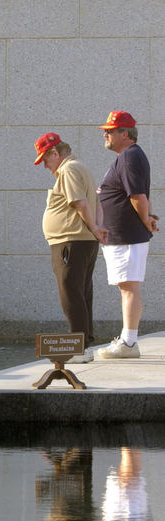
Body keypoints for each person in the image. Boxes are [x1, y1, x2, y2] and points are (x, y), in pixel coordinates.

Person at [34, 133, 108, 363]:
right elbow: (97, 204)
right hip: (81, 241)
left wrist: (96, 229)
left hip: (70, 241)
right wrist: (97, 228)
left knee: (70, 293)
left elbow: (81, 203)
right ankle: (84, 344)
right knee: (81, 292)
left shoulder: (68, 170)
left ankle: (79, 347)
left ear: (55, 153)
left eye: (46, 160)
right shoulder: (80, 168)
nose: (45, 166)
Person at [96, 111, 159, 359]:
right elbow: (142, 194)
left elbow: (137, 196)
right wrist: (149, 218)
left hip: (127, 236)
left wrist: (146, 220)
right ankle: (127, 339)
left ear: (125, 134)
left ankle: (129, 343)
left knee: (129, 287)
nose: (106, 134)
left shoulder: (130, 156)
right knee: (127, 286)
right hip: (125, 236)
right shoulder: (130, 156)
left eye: (110, 131)